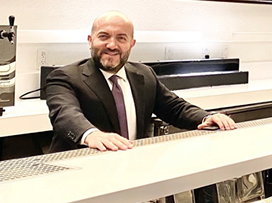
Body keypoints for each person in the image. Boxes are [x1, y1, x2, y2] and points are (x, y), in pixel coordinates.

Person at [45, 11, 236, 152]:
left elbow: (175, 108)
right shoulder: (64, 77)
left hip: (131, 170)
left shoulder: (144, 75)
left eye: (121, 38)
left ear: (131, 44)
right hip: (80, 176)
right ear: (90, 40)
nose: (112, 45)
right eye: (103, 37)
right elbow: (65, 115)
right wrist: (91, 135)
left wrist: (205, 117)